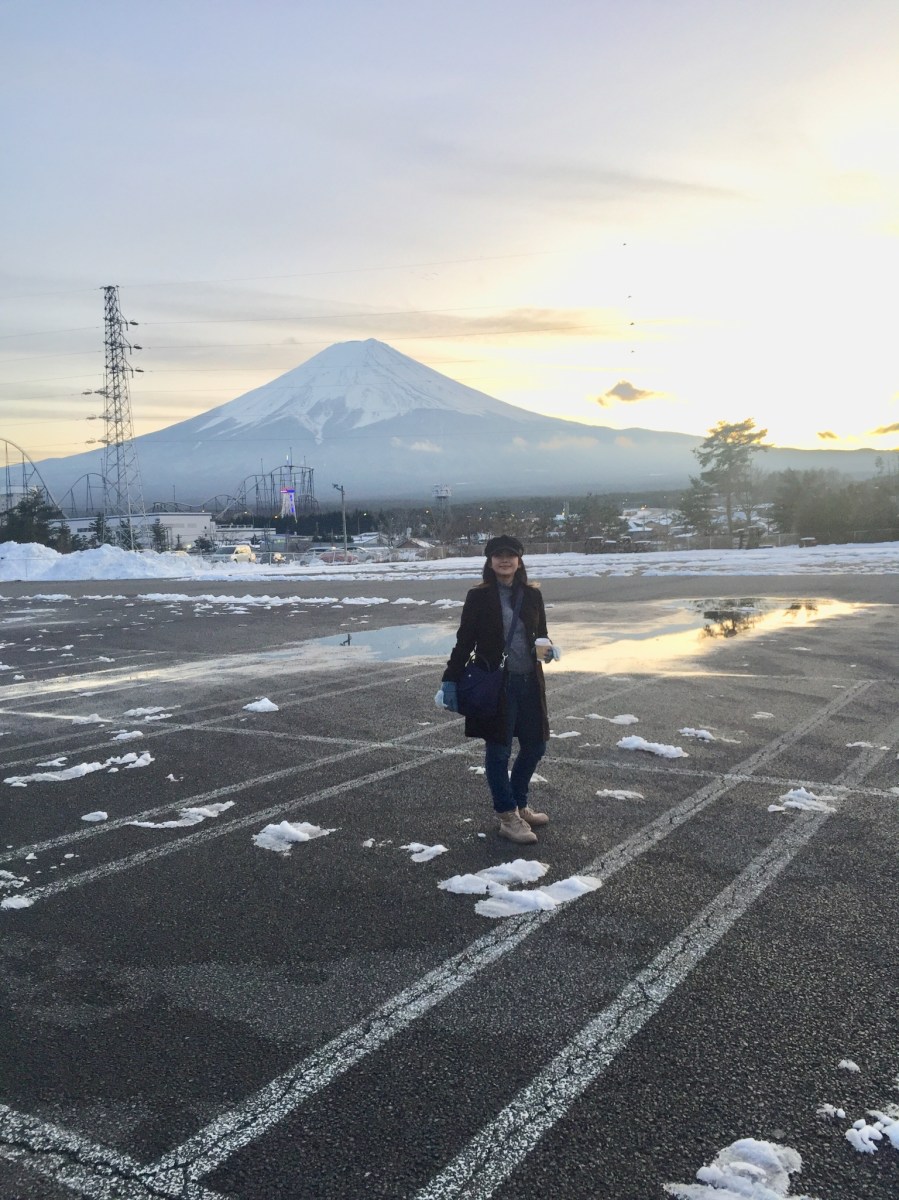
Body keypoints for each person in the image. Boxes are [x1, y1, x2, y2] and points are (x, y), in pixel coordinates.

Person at [438, 535, 555, 845]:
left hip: (529, 681)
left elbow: (541, 634)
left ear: (519, 560)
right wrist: (450, 679)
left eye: (511, 555)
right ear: (489, 562)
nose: (505, 560)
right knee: (499, 750)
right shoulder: (479, 597)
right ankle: (507, 816)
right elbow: (465, 641)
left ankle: (519, 803)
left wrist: (547, 648)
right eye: (498, 555)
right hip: (496, 685)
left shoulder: (532, 596)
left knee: (535, 746)